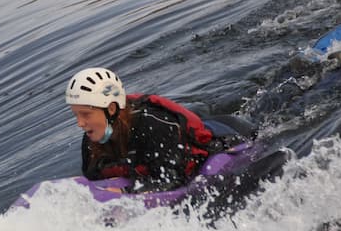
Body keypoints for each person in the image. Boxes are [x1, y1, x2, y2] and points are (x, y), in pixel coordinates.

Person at [65, 67, 246, 194]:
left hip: (231, 133)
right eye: (76, 115)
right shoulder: (91, 142)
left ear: (111, 109)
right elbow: (94, 180)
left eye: (86, 114)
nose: (80, 123)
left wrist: (124, 191)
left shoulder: (153, 125)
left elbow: (172, 180)